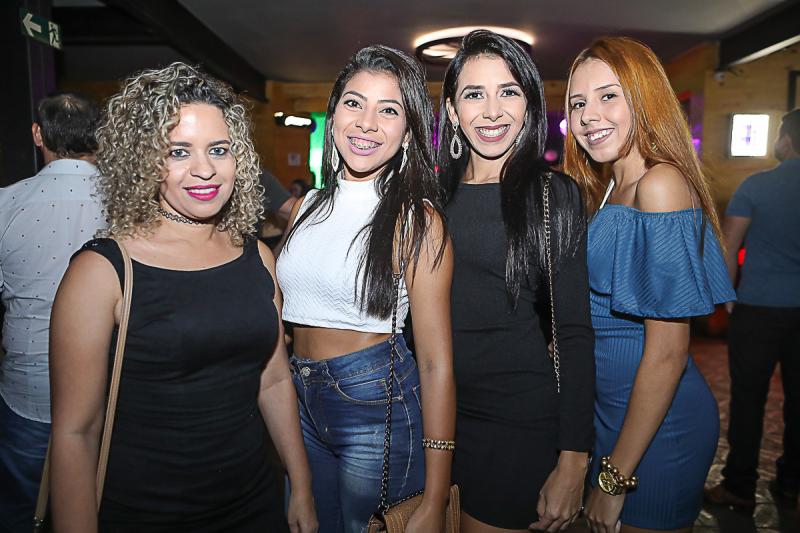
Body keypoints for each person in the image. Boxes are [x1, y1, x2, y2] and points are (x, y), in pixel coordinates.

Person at [48, 63, 317, 532]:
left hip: (253, 503)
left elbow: (273, 379)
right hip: (144, 514)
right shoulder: (102, 271)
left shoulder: (256, 256)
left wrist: (302, 485)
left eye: (219, 149)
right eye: (178, 151)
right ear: (144, 161)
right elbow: (76, 432)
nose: (205, 169)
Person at [277, 45, 455, 532]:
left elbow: (436, 362)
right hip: (297, 395)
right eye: (354, 103)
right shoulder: (305, 207)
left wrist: (435, 497)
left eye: (389, 110)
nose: (367, 123)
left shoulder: (417, 220)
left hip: (377, 401)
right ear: (334, 113)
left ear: (409, 131)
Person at [563, 36, 736, 532]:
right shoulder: (609, 186)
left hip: (658, 429)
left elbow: (667, 352)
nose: (590, 115)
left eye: (608, 96)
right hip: (614, 415)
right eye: (578, 103)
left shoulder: (660, 184)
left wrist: (614, 478)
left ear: (644, 97)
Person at [437, 29, 595, 532]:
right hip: (433, 417)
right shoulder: (430, 196)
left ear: (528, 104)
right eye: (474, 94)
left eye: (508, 91)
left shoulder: (553, 194)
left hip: (515, 421)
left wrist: (574, 458)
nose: (492, 111)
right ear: (452, 111)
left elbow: (573, 331)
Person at [0, 93, 104, 532]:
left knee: (21, 512)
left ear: (37, 134)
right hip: (108, 389)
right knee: (101, 505)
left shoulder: (5, 203)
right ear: (98, 138)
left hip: (27, 385)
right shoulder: (130, 206)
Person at [705, 109, 800, 508]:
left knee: (748, 399)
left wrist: (728, 297)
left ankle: (739, 486)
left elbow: (730, 245)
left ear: (786, 139)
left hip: (758, 307)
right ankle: (792, 483)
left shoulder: (756, 185)